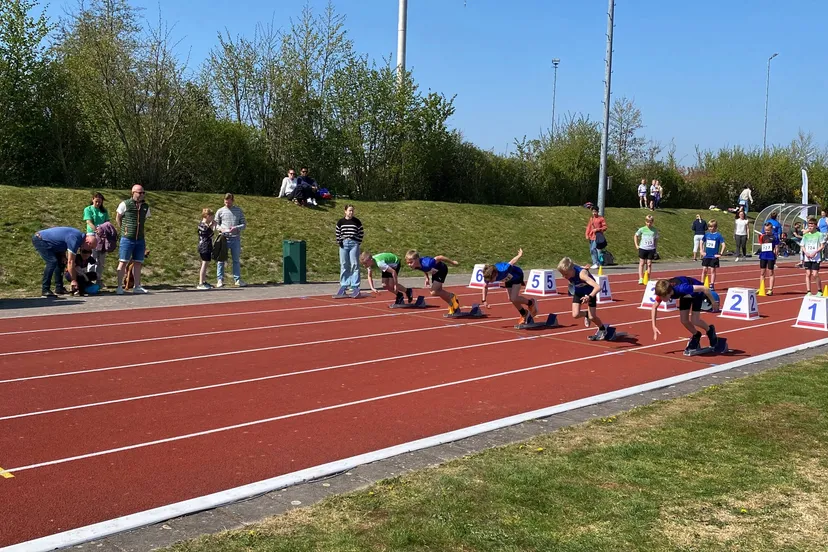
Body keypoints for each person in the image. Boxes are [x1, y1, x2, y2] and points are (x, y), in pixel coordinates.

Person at [651, 277, 719, 354]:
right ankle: (696, 335)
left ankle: (710, 330)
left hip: (696, 292)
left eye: (663, 297)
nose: (661, 299)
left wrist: (713, 302)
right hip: (684, 295)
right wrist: (654, 326)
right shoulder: (663, 291)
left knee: (695, 320)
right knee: (684, 320)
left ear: (669, 292)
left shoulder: (682, 288)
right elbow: (654, 307)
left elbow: (705, 288)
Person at [32, 227, 97, 297]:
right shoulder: (75, 239)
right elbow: (71, 262)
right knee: (52, 262)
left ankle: (59, 288)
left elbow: (62, 242)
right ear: (88, 242)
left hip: (53, 243)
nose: (89, 250)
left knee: (61, 262)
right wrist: (73, 280)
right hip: (41, 239)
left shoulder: (79, 237)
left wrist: (63, 256)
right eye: (90, 248)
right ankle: (45, 290)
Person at [557, 257, 610, 339]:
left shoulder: (582, 275)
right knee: (575, 315)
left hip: (590, 291)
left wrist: (589, 296)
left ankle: (603, 329)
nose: (564, 276)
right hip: (579, 291)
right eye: (562, 274)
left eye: (566, 274)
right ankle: (586, 314)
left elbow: (598, 287)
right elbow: (573, 264)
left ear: (571, 270)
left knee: (592, 317)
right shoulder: (570, 269)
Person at [481, 248, 538, 324]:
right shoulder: (488, 275)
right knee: (511, 299)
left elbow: (512, 262)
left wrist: (519, 255)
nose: (491, 282)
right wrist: (484, 300)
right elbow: (485, 286)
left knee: (514, 298)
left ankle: (531, 303)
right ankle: (524, 313)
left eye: (492, 280)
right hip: (508, 279)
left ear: (495, 274)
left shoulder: (504, 269)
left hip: (517, 275)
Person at [115, 184, 150, 295]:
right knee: (123, 262)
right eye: (140, 193)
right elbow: (118, 217)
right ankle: (119, 286)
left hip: (140, 239)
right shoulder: (125, 204)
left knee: (138, 262)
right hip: (127, 238)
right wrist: (124, 230)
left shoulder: (145, 206)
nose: (142, 195)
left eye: (143, 193)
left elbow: (145, 218)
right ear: (133, 193)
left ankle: (137, 286)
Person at [405, 250, 460, 314]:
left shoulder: (428, 263)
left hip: (441, 270)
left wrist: (452, 262)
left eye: (411, 262)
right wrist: (427, 278)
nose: (409, 265)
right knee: (438, 291)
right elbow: (423, 269)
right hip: (435, 272)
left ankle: (452, 296)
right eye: (408, 263)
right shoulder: (416, 265)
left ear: (417, 259)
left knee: (434, 292)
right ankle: (452, 304)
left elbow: (440, 257)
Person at [215, 192, 247, 287]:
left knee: (236, 260)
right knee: (221, 260)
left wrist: (236, 228)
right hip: (224, 238)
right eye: (225, 202)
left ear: (232, 201)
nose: (227, 204)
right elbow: (216, 224)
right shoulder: (220, 211)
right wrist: (221, 229)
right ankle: (219, 279)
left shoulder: (238, 210)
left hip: (235, 239)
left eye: (229, 202)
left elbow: (244, 224)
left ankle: (237, 279)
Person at [335, 204, 364, 297]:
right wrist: (339, 241)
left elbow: (361, 233)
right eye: (349, 210)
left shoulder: (357, 221)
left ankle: (355, 285)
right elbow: (337, 232)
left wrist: (357, 242)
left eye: (352, 211)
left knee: (354, 264)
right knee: (344, 264)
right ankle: (344, 284)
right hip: (343, 244)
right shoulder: (341, 222)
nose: (351, 212)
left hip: (353, 243)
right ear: (345, 211)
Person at [83, 192, 110, 286]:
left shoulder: (104, 211)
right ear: (92, 200)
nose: (98, 204)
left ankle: (98, 279)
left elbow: (107, 222)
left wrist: (104, 231)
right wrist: (96, 230)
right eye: (96, 201)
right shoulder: (88, 209)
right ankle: (89, 279)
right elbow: (89, 221)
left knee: (101, 259)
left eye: (100, 202)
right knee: (92, 258)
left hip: (102, 236)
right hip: (92, 235)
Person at [800, 217, 826, 296]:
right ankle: (808, 291)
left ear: (815, 226)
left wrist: (815, 252)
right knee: (808, 274)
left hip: (816, 257)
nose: (810, 228)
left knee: (815, 274)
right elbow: (802, 245)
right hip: (807, 257)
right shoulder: (806, 236)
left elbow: (822, 245)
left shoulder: (819, 234)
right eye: (809, 226)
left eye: (811, 226)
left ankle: (819, 290)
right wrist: (806, 253)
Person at [700, 219, 726, 290]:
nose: (710, 228)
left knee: (712, 270)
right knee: (704, 269)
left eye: (712, 227)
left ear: (715, 227)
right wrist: (701, 250)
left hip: (714, 256)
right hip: (707, 255)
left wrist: (720, 253)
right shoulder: (707, 234)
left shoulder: (718, 235)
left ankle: (712, 284)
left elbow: (723, 245)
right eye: (709, 227)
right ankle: (702, 283)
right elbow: (701, 242)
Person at [634, 215, 658, 284]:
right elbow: (636, 235)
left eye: (650, 222)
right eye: (647, 222)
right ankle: (641, 278)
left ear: (652, 222)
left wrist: (655, 247)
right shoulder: (642, 229)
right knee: (642, 263)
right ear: (645, 222)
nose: (649, 224)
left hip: (651, 249)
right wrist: (636, 245)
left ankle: (648, 277)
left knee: (649, 264)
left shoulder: (654, 230)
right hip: (643, 248)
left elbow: (656, 239)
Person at [758, 222, 779, 296]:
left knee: (771, 272)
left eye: (768, 230)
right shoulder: (762, 236)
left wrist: (775, 255)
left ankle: (770, 289)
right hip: (763, 256)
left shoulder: (774, 237)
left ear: (771, 229)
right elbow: (761, 244)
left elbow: (776, 247)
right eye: (765, 230)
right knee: (762, 272)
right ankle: (761, 287)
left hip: (770, 256)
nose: (766, 232)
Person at [197, 208, 216, 290]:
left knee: (206, 263)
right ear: (207, 216)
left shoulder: (206, 225)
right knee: (204, 264)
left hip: (208, 246)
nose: (212, 218)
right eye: (211, 216)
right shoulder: (202, 225)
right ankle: (200, 282)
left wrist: (212, 225)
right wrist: (212, 225)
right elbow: (208, 232)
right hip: (204, 246)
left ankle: (204, 281)